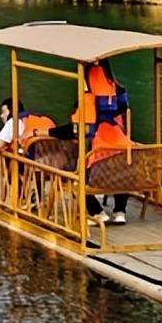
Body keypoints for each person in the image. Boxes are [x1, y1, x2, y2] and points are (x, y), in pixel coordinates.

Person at [51, 60, 131, 224]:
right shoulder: (117, 92)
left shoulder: (88, 99)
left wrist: (47, 132)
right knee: (121, 172)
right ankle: (120, 211)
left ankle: (97, 212)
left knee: (77, 180)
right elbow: (123, 109)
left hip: (97, 165)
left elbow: (77, 129)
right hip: (119, 162)